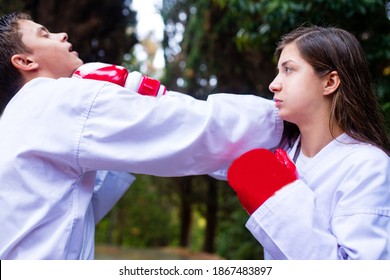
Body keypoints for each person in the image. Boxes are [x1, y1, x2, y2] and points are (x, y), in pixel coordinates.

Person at [0, 12, 282, 259]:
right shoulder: (59, 99)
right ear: (24, 60)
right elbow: (189, 129)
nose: (62, 35)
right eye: (45, 34)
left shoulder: (15, 119)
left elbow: (69, 211)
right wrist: (285, 118)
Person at [227, 25, 390, 259]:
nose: (274, 84)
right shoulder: (282, 153)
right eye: (278, 71)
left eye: (288, 70)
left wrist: (279, 207)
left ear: (330, 82)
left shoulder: (368, 166)